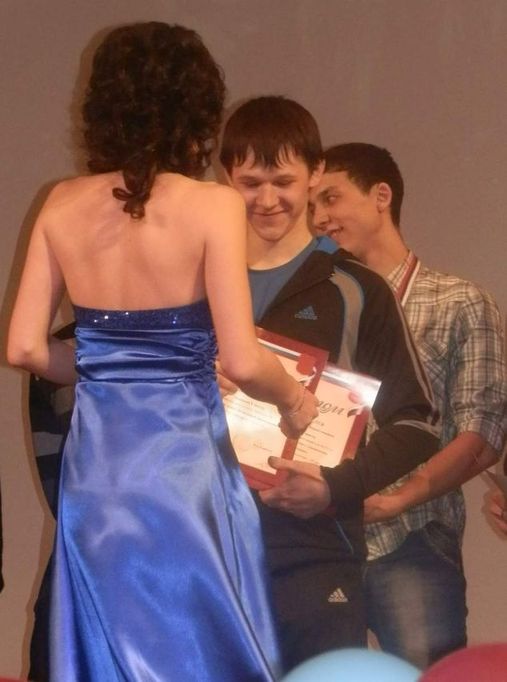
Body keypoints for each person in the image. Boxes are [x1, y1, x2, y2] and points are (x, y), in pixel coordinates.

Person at [7, 23, 318, 682]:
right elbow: (241, 360)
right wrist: (295, 400)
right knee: (198, 646)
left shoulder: (60, 204)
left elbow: (26, 347)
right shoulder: (212, 206)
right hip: (184, 469)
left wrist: (105, 368)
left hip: (98, 473)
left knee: (107, 646)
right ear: (198, 109)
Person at [218, 96, 440, 672]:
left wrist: (334, 487)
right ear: (226, 178)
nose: (268, 199)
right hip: (206, 550)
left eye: (284, 181)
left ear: (315, 173)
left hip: (315, 553)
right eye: (250, 183)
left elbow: (417, 424)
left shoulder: (357, 288)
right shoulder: (196, 284)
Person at [310, 142, 507, 668]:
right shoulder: (319, 307)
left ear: (381, 196)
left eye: (330, 198)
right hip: (323, 538)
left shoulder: (457, 301)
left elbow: (484, 433)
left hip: (413, 537)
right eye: (311, 206)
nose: (319, 218)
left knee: (428, 674)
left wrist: (399, 498)